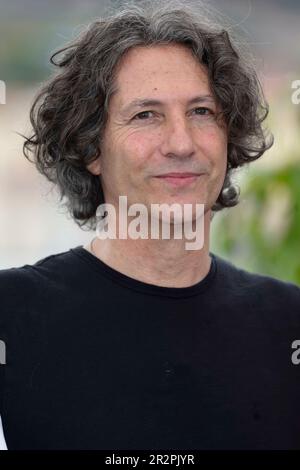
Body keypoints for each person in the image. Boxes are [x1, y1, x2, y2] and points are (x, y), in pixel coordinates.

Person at [0, 0, 299, 450]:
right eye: (146, 115)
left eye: (201, 111)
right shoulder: (13, 313)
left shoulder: (287, 321)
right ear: (90, 149)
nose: (181, 143)